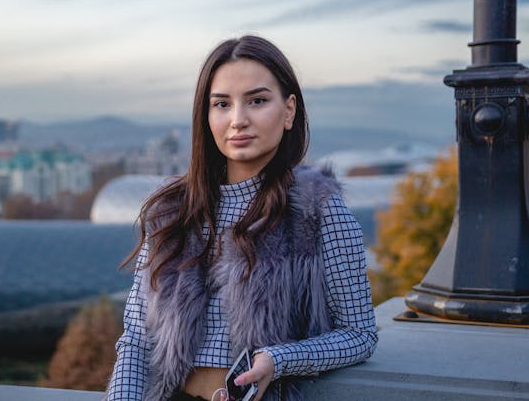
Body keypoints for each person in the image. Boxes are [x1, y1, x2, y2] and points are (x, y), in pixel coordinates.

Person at [105, 35, 377, 401]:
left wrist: (279, 359)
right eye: (221, 104)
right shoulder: (172, 211)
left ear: (289, 111)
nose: (238, 120)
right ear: (206, 115)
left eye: (258, 101)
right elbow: (136, 339)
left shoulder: (318, 210)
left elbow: (360, 334)